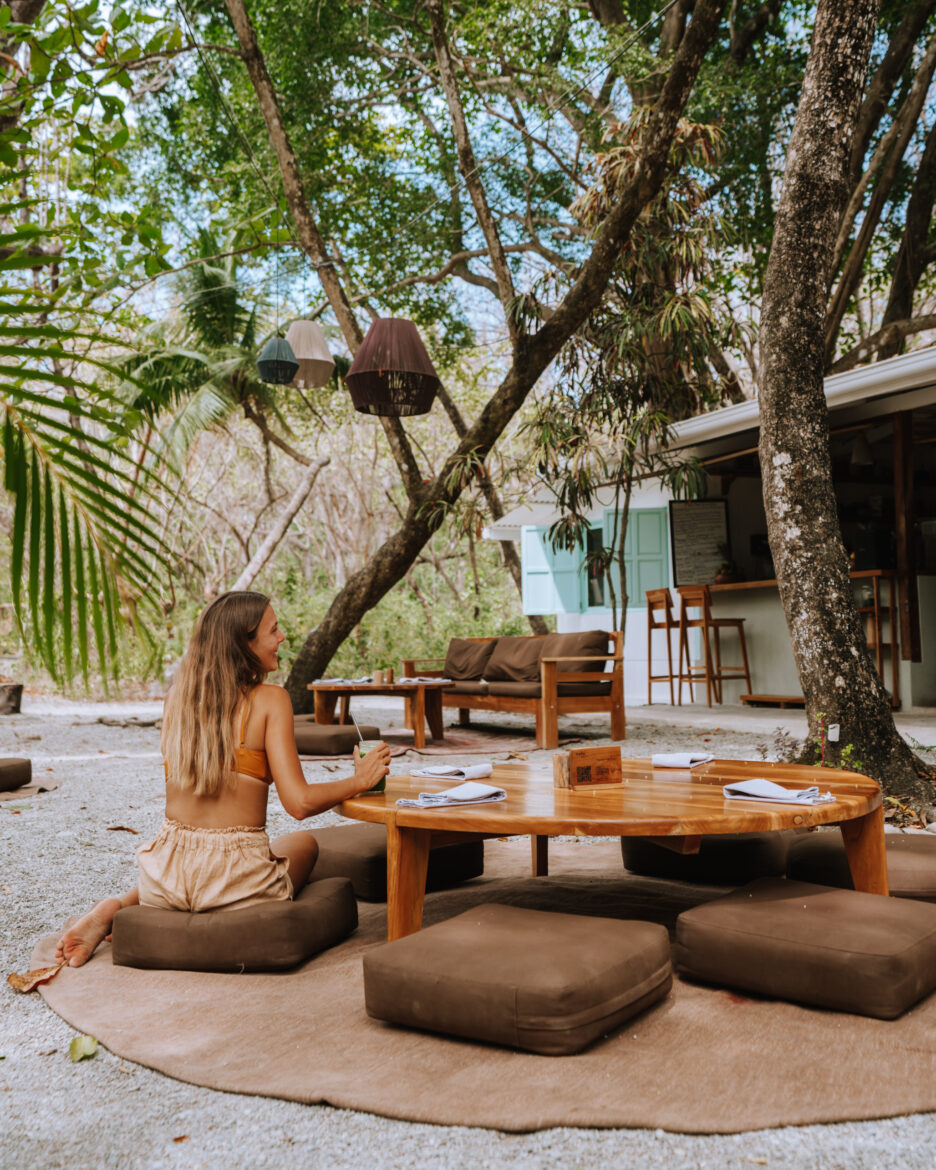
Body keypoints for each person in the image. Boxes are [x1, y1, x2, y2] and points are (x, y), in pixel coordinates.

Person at [56, 590, 390, 968]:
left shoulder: (176, 700)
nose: (282, 638)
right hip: (237, 884)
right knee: (304, 844)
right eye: (274, 630)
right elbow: (299, 804)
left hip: (163, 877)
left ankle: (115, 906)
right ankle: (167, 898)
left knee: (214, 853)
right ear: (244, 642)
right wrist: (360, 779)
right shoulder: (270, 700)